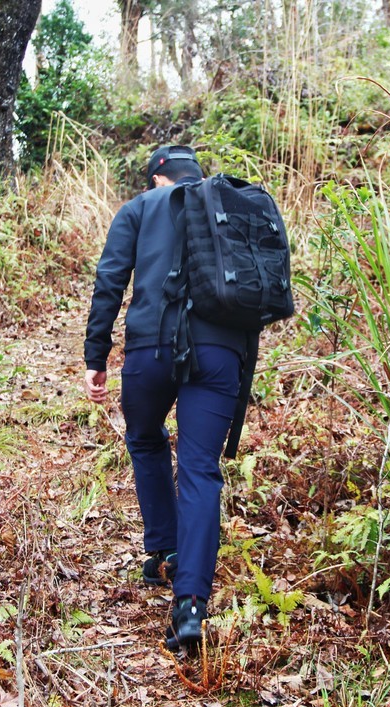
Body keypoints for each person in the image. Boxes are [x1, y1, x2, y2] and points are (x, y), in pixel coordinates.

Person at [83, 145, 250, 650]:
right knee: (200, 469)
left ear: (157, 177)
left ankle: (163, 551)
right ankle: (190, 606)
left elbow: (110, 281)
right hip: (221, 353)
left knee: (146, 438)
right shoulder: (230, 203)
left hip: (152, 349)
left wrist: (96, 355)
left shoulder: (138, 208)